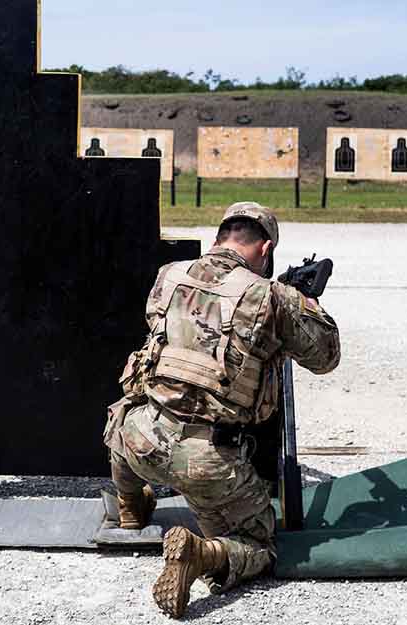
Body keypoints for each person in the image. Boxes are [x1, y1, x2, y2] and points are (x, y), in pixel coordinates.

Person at [102, 201, 341, 618]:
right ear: (265, 250)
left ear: (219, 237)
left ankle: (129, 505)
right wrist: (303, 302)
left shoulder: (168, 275)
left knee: (126, 413)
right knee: (260, 546)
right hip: (207, 463)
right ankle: (200, 555)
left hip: (140, 439)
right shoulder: (271, 296)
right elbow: (325, 357)